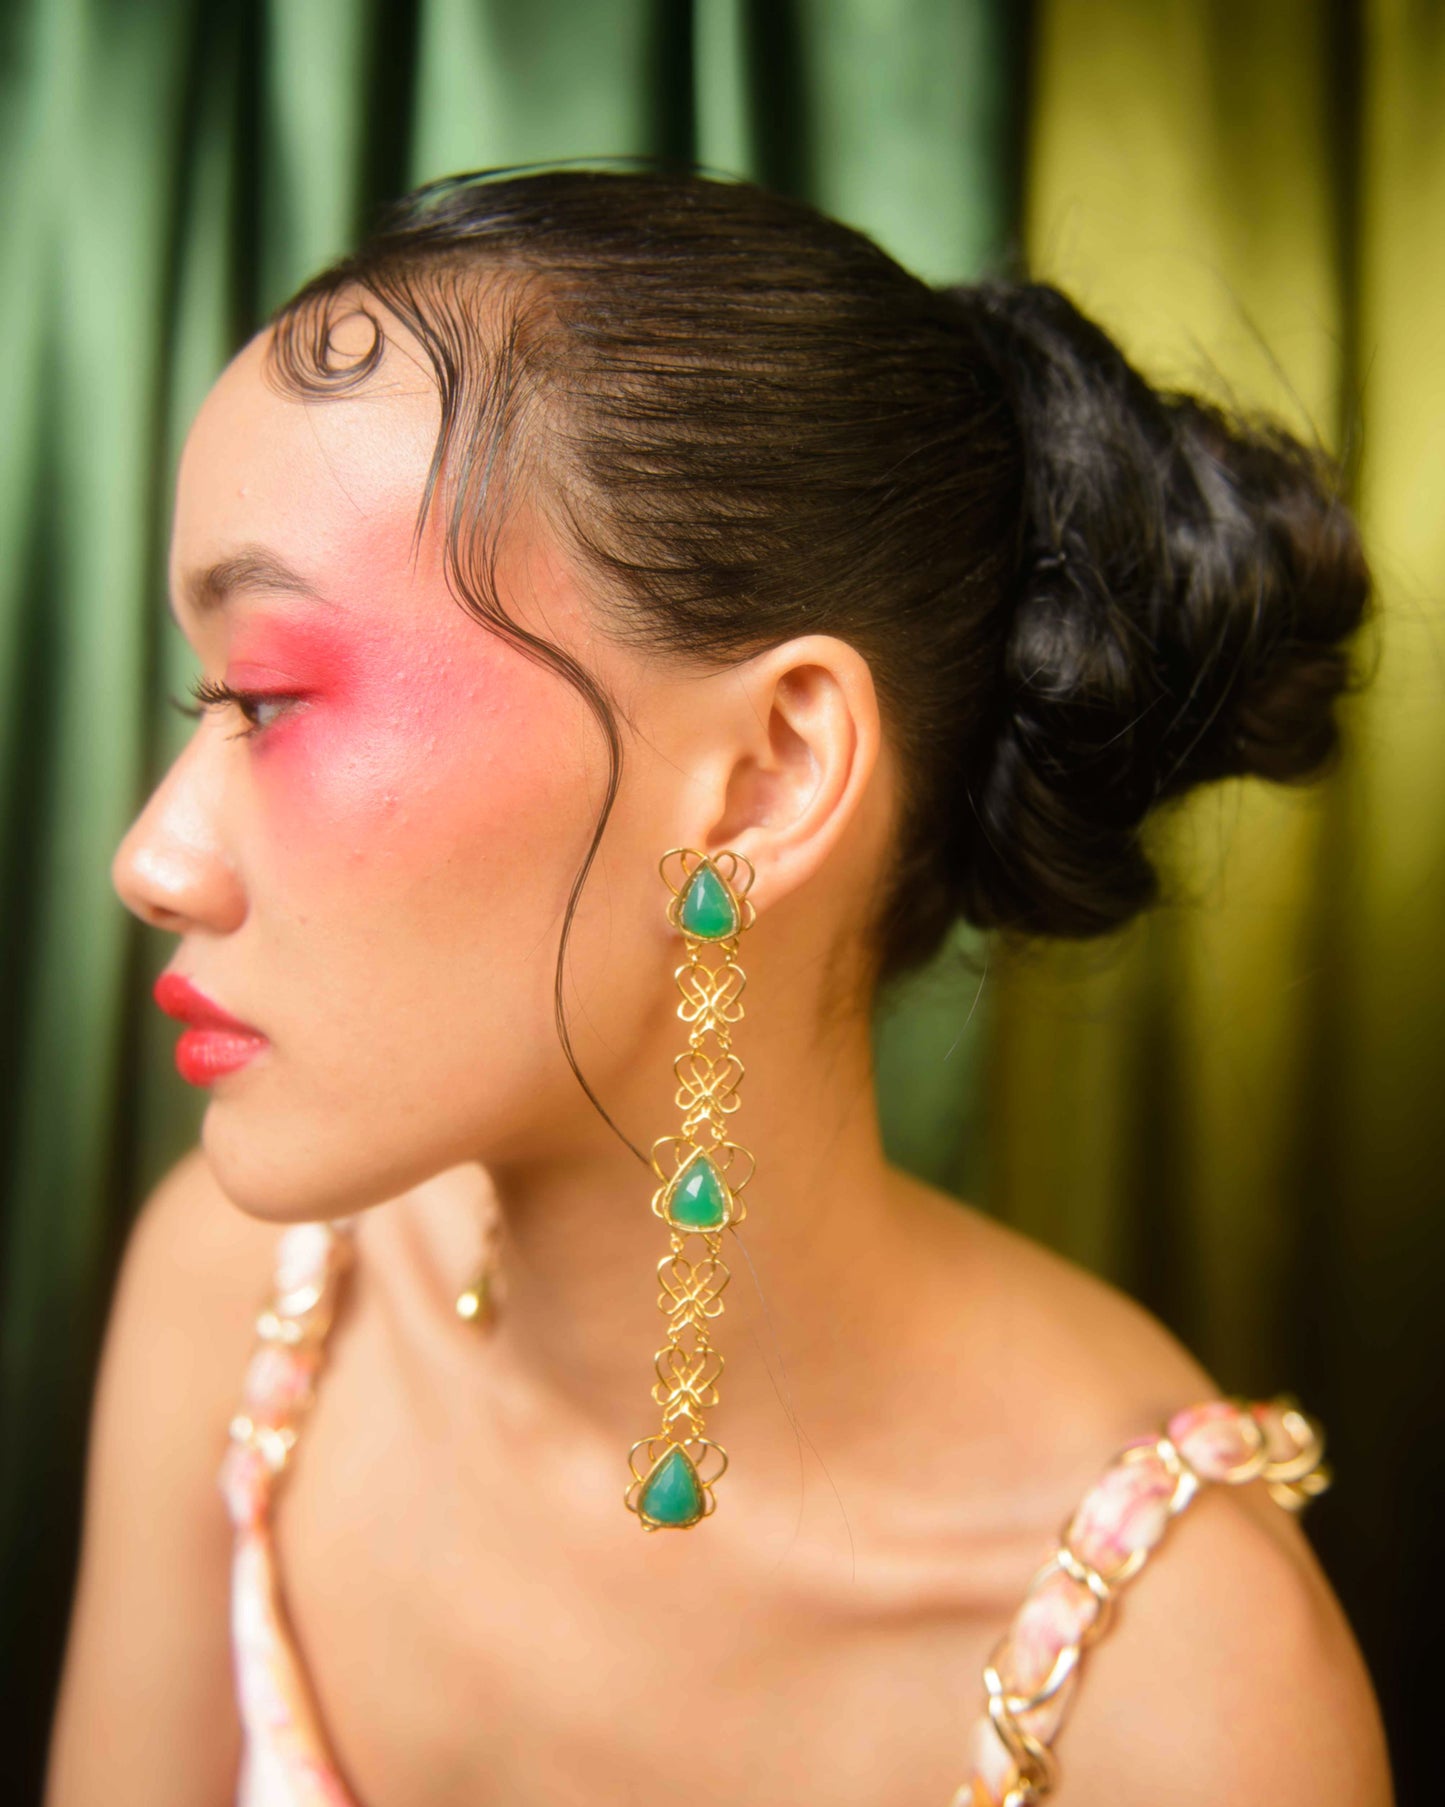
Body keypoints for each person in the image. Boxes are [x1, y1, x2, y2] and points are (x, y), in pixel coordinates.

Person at [46, 168, 1393, 1807]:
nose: (156, 858)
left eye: (265, 694)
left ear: (763, 774)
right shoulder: (246, 1304)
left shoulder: (1172, 1684)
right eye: (208, 698)